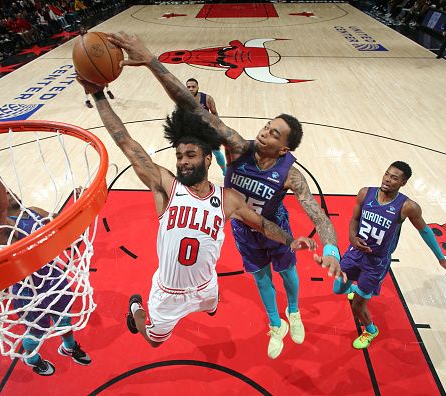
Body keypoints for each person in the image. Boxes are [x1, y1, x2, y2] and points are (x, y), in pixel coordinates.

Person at [108, 32, 343, 359]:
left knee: (288, 272)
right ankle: (276, 324)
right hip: (242, 226)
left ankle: (293, 312)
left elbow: (318, 215)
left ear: (284, 147)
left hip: (271, 221)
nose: (264, 132)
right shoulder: (235, 146)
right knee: (261, 277)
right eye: (266, 126)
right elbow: (191, 107)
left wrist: (331, 247)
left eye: (274, 133)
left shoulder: (291, 174)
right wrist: (151, 61)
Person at [78, 75, 317, 349]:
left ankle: (229, 306)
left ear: (207, 159)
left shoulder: (227, 199)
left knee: (213, 304)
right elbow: (125, 142)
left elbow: (262, 224)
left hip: (206, 286)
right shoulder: (167, 186)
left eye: (190, 155)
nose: (183, 162)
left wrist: (290, 240)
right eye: (179, 156)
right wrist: (98, 96)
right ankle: (136, 311)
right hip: (168, 294)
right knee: (154, 341)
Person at [0, 136, 91, 376]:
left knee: (66, 315)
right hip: (28, 290)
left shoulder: (33, 210)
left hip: (53, 275)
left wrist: (80, 206)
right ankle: (32, 358)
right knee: (37, 330)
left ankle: (68, 347)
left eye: (3, 184)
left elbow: (65, 230)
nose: (4, 189)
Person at [329, 161, 446, 349]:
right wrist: (351, 237)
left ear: (403, 183)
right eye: (387, 174)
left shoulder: (407, 207)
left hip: (376, 263)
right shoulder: (365, 193)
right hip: (355, 253)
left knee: (358, 306)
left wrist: (441, 259)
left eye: (394, 178)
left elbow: (425, 231)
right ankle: (356, 291)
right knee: (338, 289)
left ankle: (371, 330)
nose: (388, 180)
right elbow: (354, 219)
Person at [186, 77, 227, 177]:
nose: (191, 89)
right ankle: (193, 174)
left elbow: (215, 114)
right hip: (193, 131)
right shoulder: (183, 99)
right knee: (191, 154)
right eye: (188, 87)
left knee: (217, 152)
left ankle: (225, 171)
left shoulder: (207, 98)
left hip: (207, 130)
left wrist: (216, 128)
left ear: (198, 87)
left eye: (193, 87)